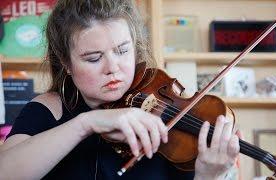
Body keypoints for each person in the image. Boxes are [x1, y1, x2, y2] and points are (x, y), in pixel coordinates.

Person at [0, 0, 240, 179]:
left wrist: (208, 176)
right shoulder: (49, 109)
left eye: (123, 51)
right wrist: (87, 122)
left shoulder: (169, 119)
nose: (113, 68)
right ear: (66, 63)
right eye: (94, 58)